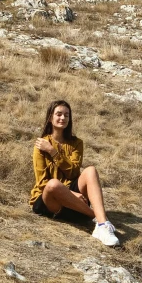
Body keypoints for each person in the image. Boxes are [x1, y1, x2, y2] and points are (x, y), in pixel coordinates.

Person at [30, 100, 119, 247]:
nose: (63, 118)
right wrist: (70, 194)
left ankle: (102, 226)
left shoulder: (76, 143)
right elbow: (42, 182)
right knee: (53, 184)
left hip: (73, 197)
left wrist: (53, 152)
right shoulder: (41, 144)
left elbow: (73, 173)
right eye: (59, 114)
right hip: (48, 199)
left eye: (66, 115)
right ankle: (96, 216)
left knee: (90, 170)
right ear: (50, 117)